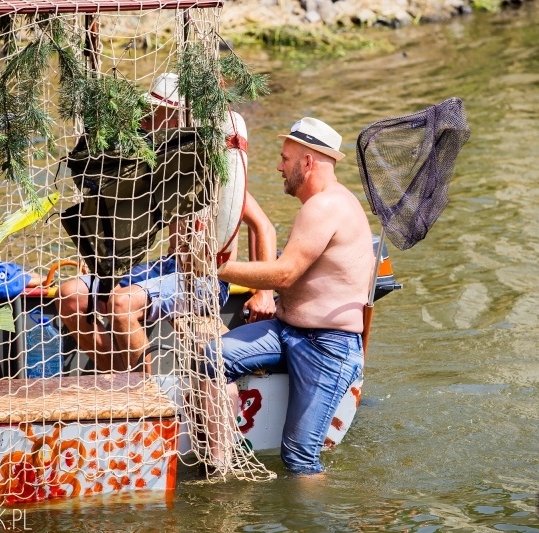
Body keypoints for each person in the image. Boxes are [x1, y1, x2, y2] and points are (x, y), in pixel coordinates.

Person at [56, 73, 276, 373]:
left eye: (153, 113)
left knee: (121, 303)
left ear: (178, 118)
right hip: (169, 266)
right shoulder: (163, 162)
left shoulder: (213, 172)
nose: (145, 119)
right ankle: (119, 380)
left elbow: (263, 226)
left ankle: (144, 398)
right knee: (70, 294)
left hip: (207, 280)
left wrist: (263, 292)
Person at [204, 117, 375, 475]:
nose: (279, 167)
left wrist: (216, 267)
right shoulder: (318, 205)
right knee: (212, 359)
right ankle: (222, 465)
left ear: (308, 162)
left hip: (328, 346)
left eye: (285, 158)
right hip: (286, 331)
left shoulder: (326, 206)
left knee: (299, 459)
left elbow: (285, 273)